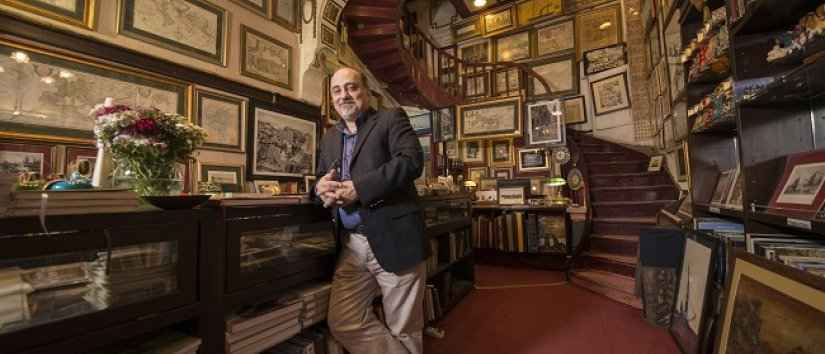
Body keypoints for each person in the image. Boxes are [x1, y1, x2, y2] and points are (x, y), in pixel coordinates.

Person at [313, 67, 427, 354]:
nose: (344, 95)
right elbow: (319, 177)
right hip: (351, 245)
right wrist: (319, 188)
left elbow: (411, 161)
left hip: (395, 237)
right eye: (337, 90)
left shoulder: (390, 119)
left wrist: (359, 188)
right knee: (343, 321)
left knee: (404, 327)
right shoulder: (328, 138)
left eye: (351, 87)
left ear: (367, 91)